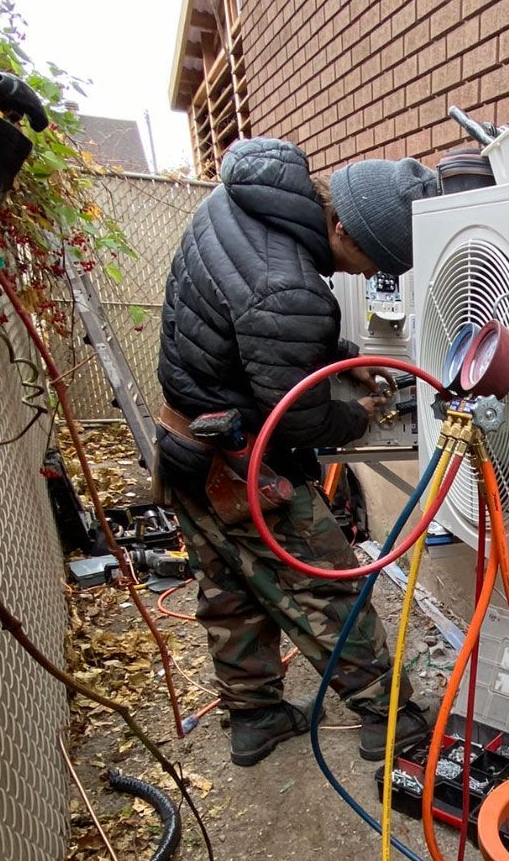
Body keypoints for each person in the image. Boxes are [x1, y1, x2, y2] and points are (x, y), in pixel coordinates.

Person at [156, 136, 439, 767]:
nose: (368, 276)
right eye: (371, 261)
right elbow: (300, 422)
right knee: (328, 586)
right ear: (340, 222)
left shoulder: (240, 203)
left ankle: (254, 719)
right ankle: (392, 721)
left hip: (186, 441)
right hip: (245, 464)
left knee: (229, 588)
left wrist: (339, 359)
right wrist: (357, 414)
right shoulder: (292, 287)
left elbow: (249, 329)